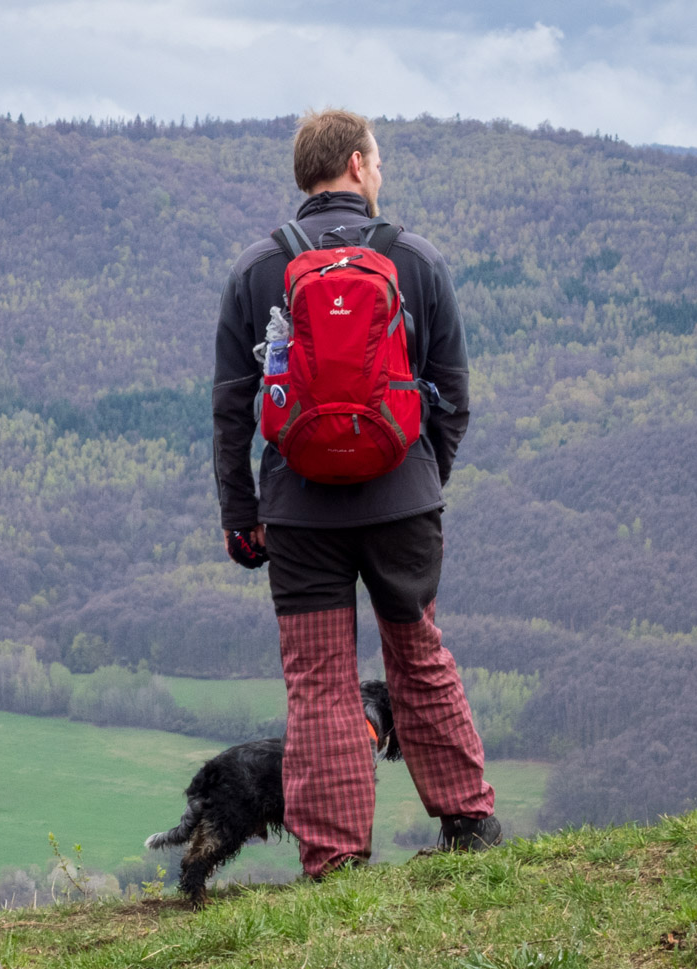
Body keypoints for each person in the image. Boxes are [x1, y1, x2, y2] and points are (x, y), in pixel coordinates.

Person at [211, 107, 499, 879]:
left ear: (306, 175)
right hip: (403, 500)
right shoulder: (415, 259)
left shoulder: (255, 269)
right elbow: (454, 393)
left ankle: (334, 857)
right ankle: (468, 819)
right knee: (418, 653)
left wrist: (243, 516)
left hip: (298, 509)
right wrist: (420, 474)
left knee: (319, 682)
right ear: (360, 167)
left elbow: (232, 407)